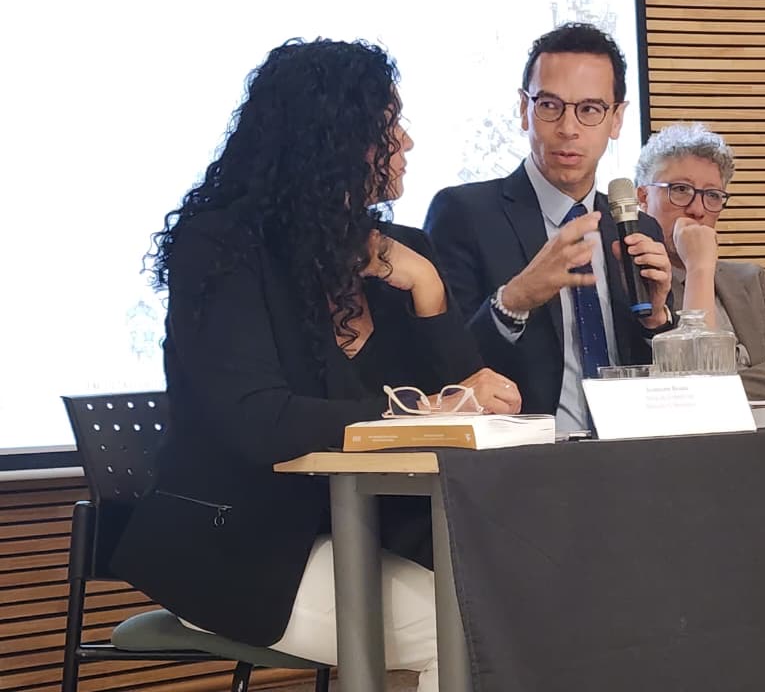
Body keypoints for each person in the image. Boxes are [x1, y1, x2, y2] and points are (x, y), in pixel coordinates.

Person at [111, 39, 518, 692]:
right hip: (237, 545)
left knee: (529, 604)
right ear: (332, 141)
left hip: (373, 532)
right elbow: (260, 421)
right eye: (388, 126)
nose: (407, 142)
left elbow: (469, 400)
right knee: (474, 631)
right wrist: (408, 414)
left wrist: (429, 291)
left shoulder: (402, 251)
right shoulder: (221, 248)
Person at [425, 23, 673, 432]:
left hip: (630, 451)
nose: (568, 128)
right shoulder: (464, 214)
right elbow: (442, 372)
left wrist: (656, 320)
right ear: (524, 109)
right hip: (525, 456)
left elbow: (666, 389)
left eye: (589, 110)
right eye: (550, 105)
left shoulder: (636, 227)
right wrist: (515, 299)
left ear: (616, 119)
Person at [634, 122, 765, 399]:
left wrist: (723, 387)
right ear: (643, 197)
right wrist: (699, 268)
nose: (697, 209)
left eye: (713, 195)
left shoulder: (749, 279)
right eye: (680, 189)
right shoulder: (632, 285)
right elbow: (695, 393)